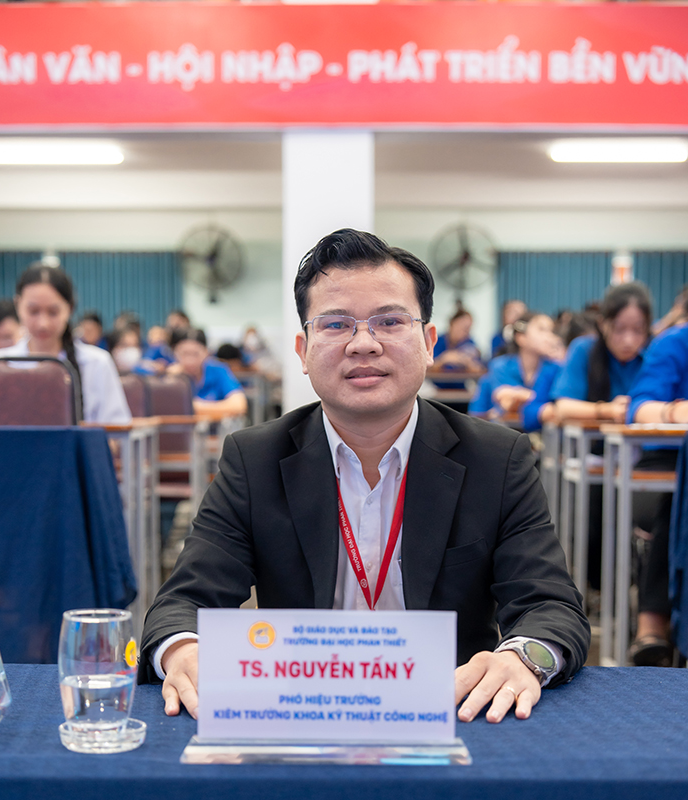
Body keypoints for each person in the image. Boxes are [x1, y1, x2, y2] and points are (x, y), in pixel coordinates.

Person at [139, 228, 589, 725]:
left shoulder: (496, 459)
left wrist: (523, 658)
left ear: (429, 343)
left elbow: (550, 605)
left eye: (390, 321)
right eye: (336, 325)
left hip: (451, 713)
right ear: (303, 351)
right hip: (300, 712)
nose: (363, 344)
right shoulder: (255, 459)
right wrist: (183, 651)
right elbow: (183, 601)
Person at [552, 282, 653, 597]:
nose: (629, 340)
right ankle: (599, 589)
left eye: (638, 330)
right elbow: (563, 406)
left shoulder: (654, 355)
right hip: (596, 457)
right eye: (620, 329)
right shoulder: (584, 350)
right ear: (604, 323)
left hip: (646, 461)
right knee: (596, 512)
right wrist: (607, 410)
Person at [0, 265, 131, 424]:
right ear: (18, 305)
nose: (43, 324)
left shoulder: (97, 363)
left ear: (70, 308)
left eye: (53, 312)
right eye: (33, 311)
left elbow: (117, 431)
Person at [624, 302, 688, 666]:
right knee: (677, 501)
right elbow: (638, 408)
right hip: (667, 459)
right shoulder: (674, 344)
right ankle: (653, 620)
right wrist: (676, 411)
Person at [470, 312, 561, 432]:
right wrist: (538, 401)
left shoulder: (555, 367)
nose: (549, 337)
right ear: (521, 338)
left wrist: (518, 395)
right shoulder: (501, 365)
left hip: (541, 432)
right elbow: (505, 400)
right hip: (500, 431)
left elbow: (557, 405)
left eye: (551, 331)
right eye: (542, 330)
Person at [167, 328, 247, 418]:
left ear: (206, 352)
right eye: (184, 353)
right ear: (175, 353)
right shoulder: (170, 377)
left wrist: (195, 407)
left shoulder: (218, 370)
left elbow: (239, 405)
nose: (190, 361)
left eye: (195, 354)